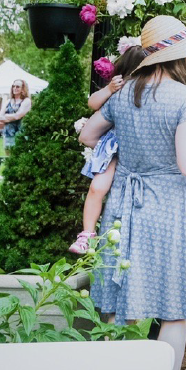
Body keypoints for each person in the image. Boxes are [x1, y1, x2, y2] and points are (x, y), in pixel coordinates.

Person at [78, 16, 186, 370]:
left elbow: (87, 135)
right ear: (182, 56)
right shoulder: (185, 97)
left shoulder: (127, 91)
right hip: (164, 205)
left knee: (114, 305)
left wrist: (121, 157)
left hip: (122, 203)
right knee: (173, 307)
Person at [69, 46, 147, 255]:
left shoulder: (151, 90)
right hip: (112, 147)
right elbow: (92, 102)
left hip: (133, 145)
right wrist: (110, 89)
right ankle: (87, 234)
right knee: (97, 188)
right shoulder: (117, 88)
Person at [0, 78, 31, 150]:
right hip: (8, 134)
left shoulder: (26, 101)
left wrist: (6, 116)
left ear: (23, 89)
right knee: (8, 157)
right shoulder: (8, 101)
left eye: (17, 86)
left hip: (21, 134)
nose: (15, 88)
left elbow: (18, 116)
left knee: (19, 157)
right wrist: (12, 116)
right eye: (13, 86)